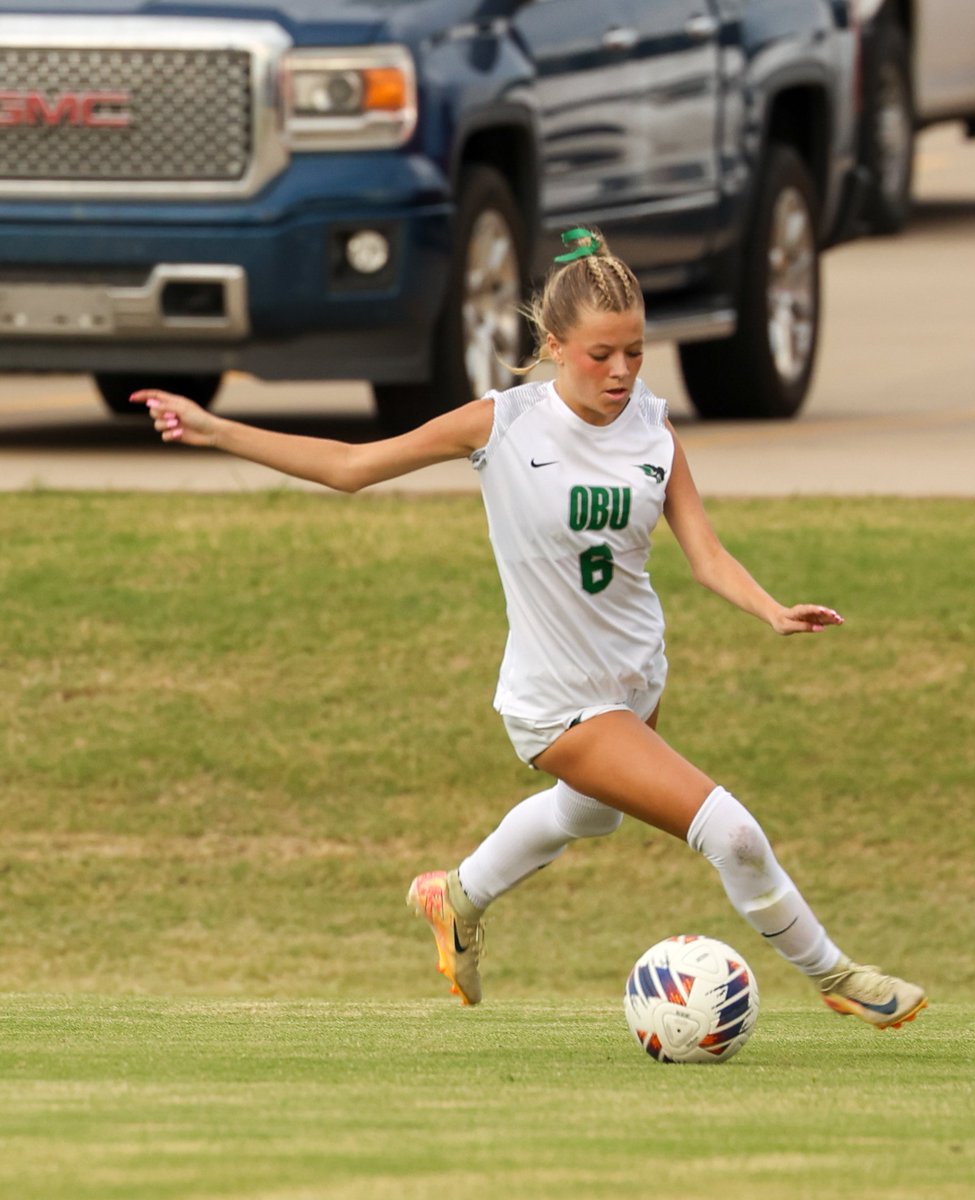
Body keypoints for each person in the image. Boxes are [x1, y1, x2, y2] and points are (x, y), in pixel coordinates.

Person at [134, 227, 927, 1031]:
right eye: (600, 355)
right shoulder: (501, 425)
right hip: (558, 700)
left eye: (636, 353)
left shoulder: (654, 427)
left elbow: (705, 554)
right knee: (734, 833)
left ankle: (458, 896)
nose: (621, 372)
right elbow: (350, 467)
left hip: (637, 678)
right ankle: (837, 975)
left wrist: (772, 609)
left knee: (588, 814)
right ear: (553, 346)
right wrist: (218, 430)